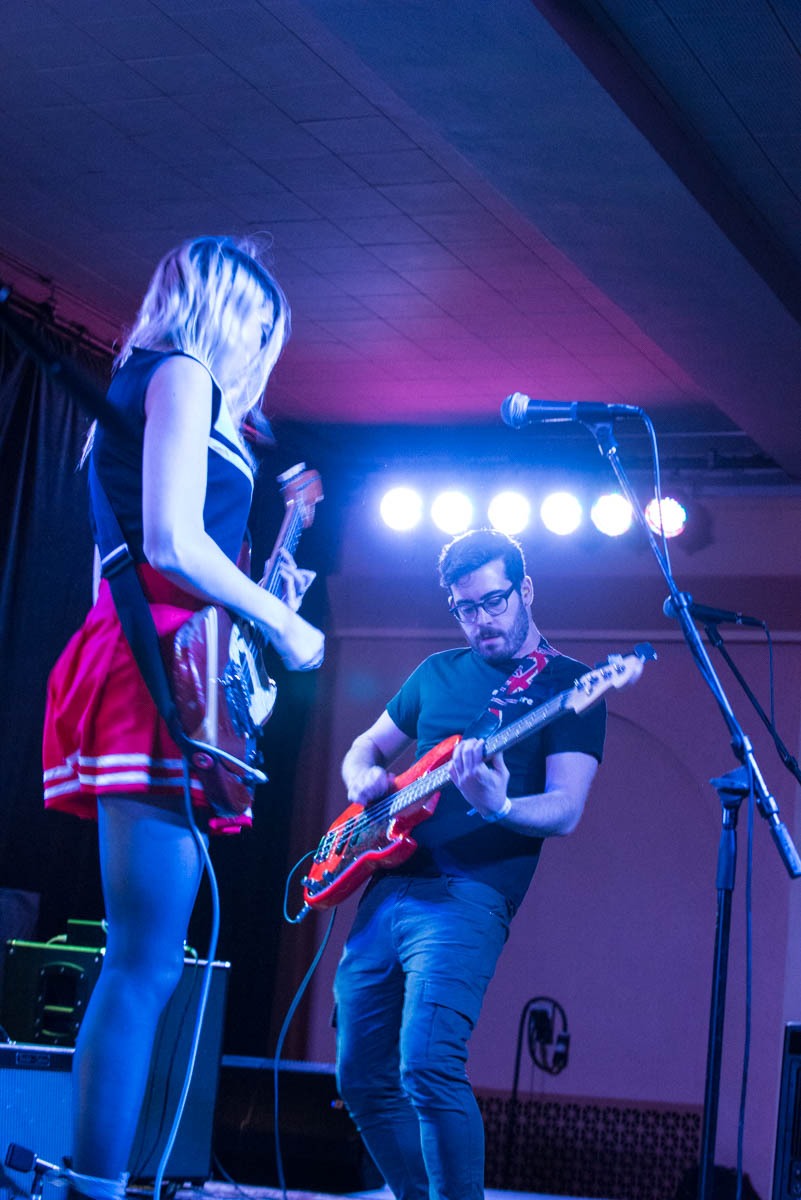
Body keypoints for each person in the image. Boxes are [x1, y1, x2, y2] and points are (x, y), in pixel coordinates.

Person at [41, 236, 324, 1199]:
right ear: (229, 312)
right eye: (262, 329)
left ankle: (98, 1177)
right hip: (151, 670)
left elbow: (124, 564)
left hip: (146, 659)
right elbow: (169, 542)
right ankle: (94, 1184)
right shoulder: (184, 374)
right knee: (144, 962)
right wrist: (282, 620)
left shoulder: (146, 386)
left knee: (148, 960)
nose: (263, 352)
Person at [334, 528, 606, 1200]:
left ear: (526, 589)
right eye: (465, 608)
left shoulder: (571, 684)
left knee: (428, 1066)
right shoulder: (435, 672)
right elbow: (365, 748)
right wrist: (362, 779)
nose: (480, 620)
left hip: (469, 894)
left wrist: (499, 804)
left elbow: (566, 809)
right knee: (360, 1078)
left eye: (493, 601)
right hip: (387, 883)